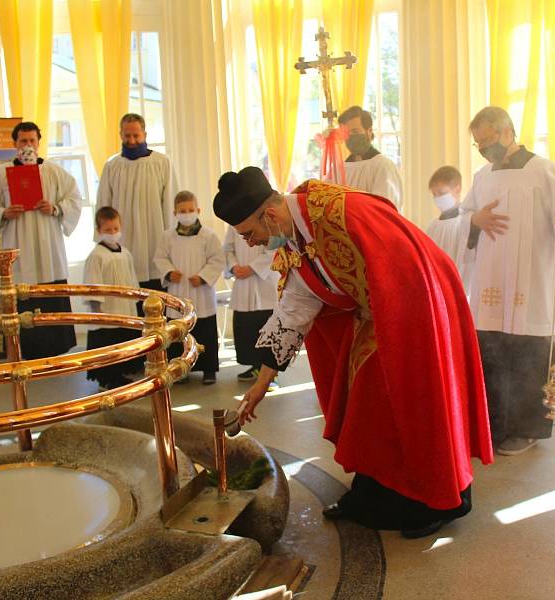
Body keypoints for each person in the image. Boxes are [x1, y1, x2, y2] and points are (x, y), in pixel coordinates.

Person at [213, 166, 492, 539]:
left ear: (270, 215)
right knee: (365, 402)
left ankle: (438, 500)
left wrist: (401, 332)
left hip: (417, 305)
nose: (250, 243)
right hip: (377, 313)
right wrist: (260, 385)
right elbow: (294, 311)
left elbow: (405, 267)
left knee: (416, 402)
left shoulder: (339, 212)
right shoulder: (291, 239)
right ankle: (373, 496)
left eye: (250, 233)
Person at [459, 106, 555, 456]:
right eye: (478, 144)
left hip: (531, 284)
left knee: (527, 356)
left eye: (487, 141)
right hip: (491, 282)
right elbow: (461, 216)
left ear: (506, 132)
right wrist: (475, 219)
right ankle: (492, 426)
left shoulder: (542, 170)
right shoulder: (483, 176)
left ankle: (526, 429)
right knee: (492, 352)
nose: (484, 149)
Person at [0, 121, 81, 359]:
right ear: (14, 144)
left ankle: (56, 350)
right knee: (20, 297)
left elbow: (74, 199)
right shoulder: (2, 173)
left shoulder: (53, 171)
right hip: (17, 246)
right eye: (23, 141)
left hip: (48, 248)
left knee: (50, 295)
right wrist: (4, 212)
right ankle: (22, 349)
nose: (28, 145)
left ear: (38, 142)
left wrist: (55, 208)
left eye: (32, 141)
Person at [96, 113, 176, 291]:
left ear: (144, 135)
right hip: (124, 239)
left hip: (154, 238)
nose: (131, 140)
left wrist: (171, 239)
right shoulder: (113, 165)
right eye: (127, 136)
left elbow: (170, 202)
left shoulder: (161, 162)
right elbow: (104, 204)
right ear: (120, 135)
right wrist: (104, 238)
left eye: (136, 135)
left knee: (156, 298)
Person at [154, 191, 225, 384]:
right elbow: (160, 258)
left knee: (205, 332)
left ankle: (208, 369)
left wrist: (203, 276)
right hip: (178, 291)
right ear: (175, 212)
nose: (187, 213)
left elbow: (218, 259)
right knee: (179, 332)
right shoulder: (167, 236)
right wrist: (169, 272)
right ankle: (180, 369)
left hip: (201, 292)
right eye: (182, 211)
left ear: (198, 210)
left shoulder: (208, 235)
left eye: (190, 210)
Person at [83, 207, 143, 390]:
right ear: (99, 230)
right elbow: (92, 283)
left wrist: (136, 298)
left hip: (125, 308)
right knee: (107, 343)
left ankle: (122, 373)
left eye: (116, 229)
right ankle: (107, 378)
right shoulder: (96, 256)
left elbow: (132, 278)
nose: (113, 233)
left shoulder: (125, 252)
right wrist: (96, 306)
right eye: (108, 230)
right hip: (106, 310)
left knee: (123, 340)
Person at [223, 225, 280, 382]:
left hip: (265, 281)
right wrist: (234, 266)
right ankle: (256, 367)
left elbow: (276, 249)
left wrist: (253, 268)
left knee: (266, 327)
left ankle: (269, 373)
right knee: (246, 328)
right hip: (242, 282)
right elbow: (227, 248)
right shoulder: (233, 222)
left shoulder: (269, 220)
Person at [330, 105, 403, 211]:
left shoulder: (383, 166)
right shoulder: (339, 169)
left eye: (355, 131)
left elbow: (384, 209)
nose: (350, 137)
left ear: (369, 131)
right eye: (347, 133)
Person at [425, 165, 474, 287]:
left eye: (442, 193)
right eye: (434, 194)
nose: (437, 198)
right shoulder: (433, 226)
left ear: (457, 190)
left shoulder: (467, 222)